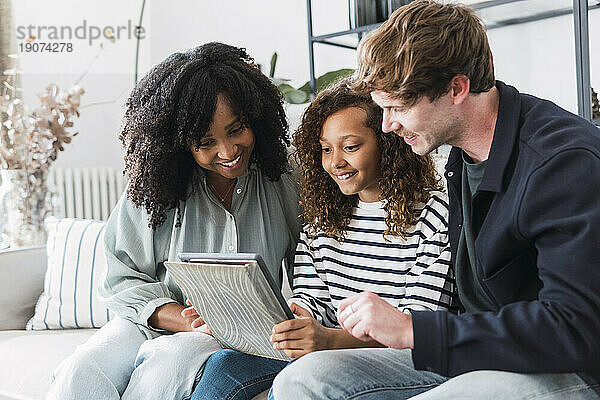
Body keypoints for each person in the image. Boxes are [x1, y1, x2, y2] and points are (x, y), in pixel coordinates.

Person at [270, 1, 600, 399]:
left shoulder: (560, 163)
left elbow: (575, 327)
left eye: (399, 107)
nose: (388, 125)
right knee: (301, 380)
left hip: (570, 364)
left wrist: (412, 329)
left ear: (456, 89)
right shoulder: (462, 154)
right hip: (486, 350)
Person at [45, 42, 301, 400]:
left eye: (237, 129)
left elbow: (312, 261)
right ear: (180, 143)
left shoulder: (285, 175)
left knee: (172, 360)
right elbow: (122, 277)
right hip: (155, 322)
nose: (228, 152)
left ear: (255, 117)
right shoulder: (156, 186)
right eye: (206, 142)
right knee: (82, 368)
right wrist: (181, 317)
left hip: (229, 338)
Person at [191, 79, 454, 400]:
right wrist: (286, 320)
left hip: (409, 358)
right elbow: (312, 302)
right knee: (224, 365)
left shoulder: (434, 212)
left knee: (303, 378)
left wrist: (329, 340)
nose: (335, 162)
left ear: (389, 142)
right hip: (333, 347)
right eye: (326, 149)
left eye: (351, 146)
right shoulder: (324, 218)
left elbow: (418, 326)